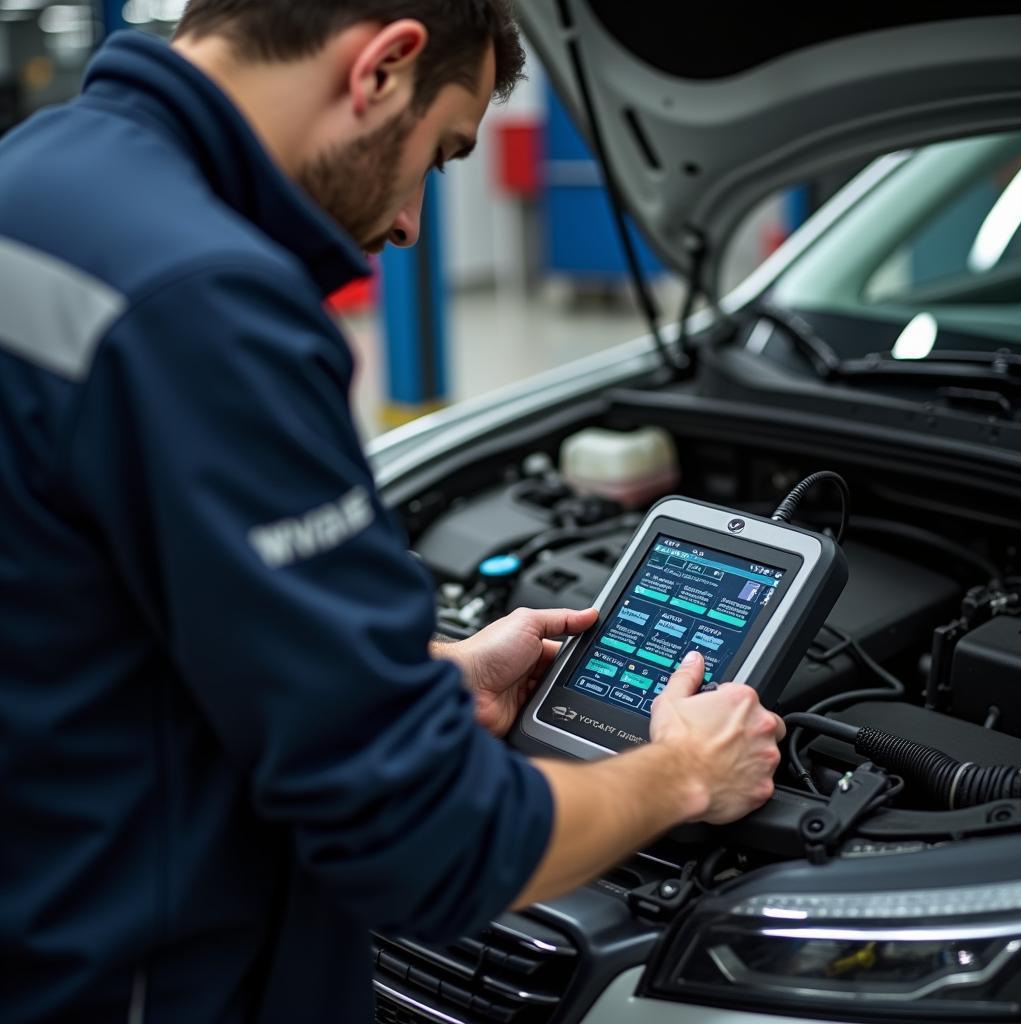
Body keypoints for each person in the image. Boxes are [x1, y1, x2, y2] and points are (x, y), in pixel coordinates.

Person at [0, 2, 784, 1021]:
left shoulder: (39, 172)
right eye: (442, 152)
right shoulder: (209, 304)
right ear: (383, 67)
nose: (412, 223)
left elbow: (85, 599)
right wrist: (681, 772)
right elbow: (425, 843)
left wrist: (404, 682)